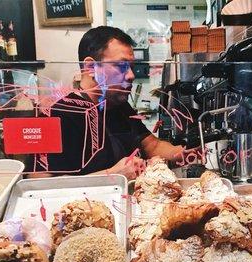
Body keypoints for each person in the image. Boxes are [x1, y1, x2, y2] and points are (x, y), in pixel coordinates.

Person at [28, 27, 184, 179]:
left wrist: (192, 152)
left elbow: (153, 146)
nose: (130, 75)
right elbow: (37, 181)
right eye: (121, 66)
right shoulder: (58, 115)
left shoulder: (120, 107)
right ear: (91, 67)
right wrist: (112, 176)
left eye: (131, 67)